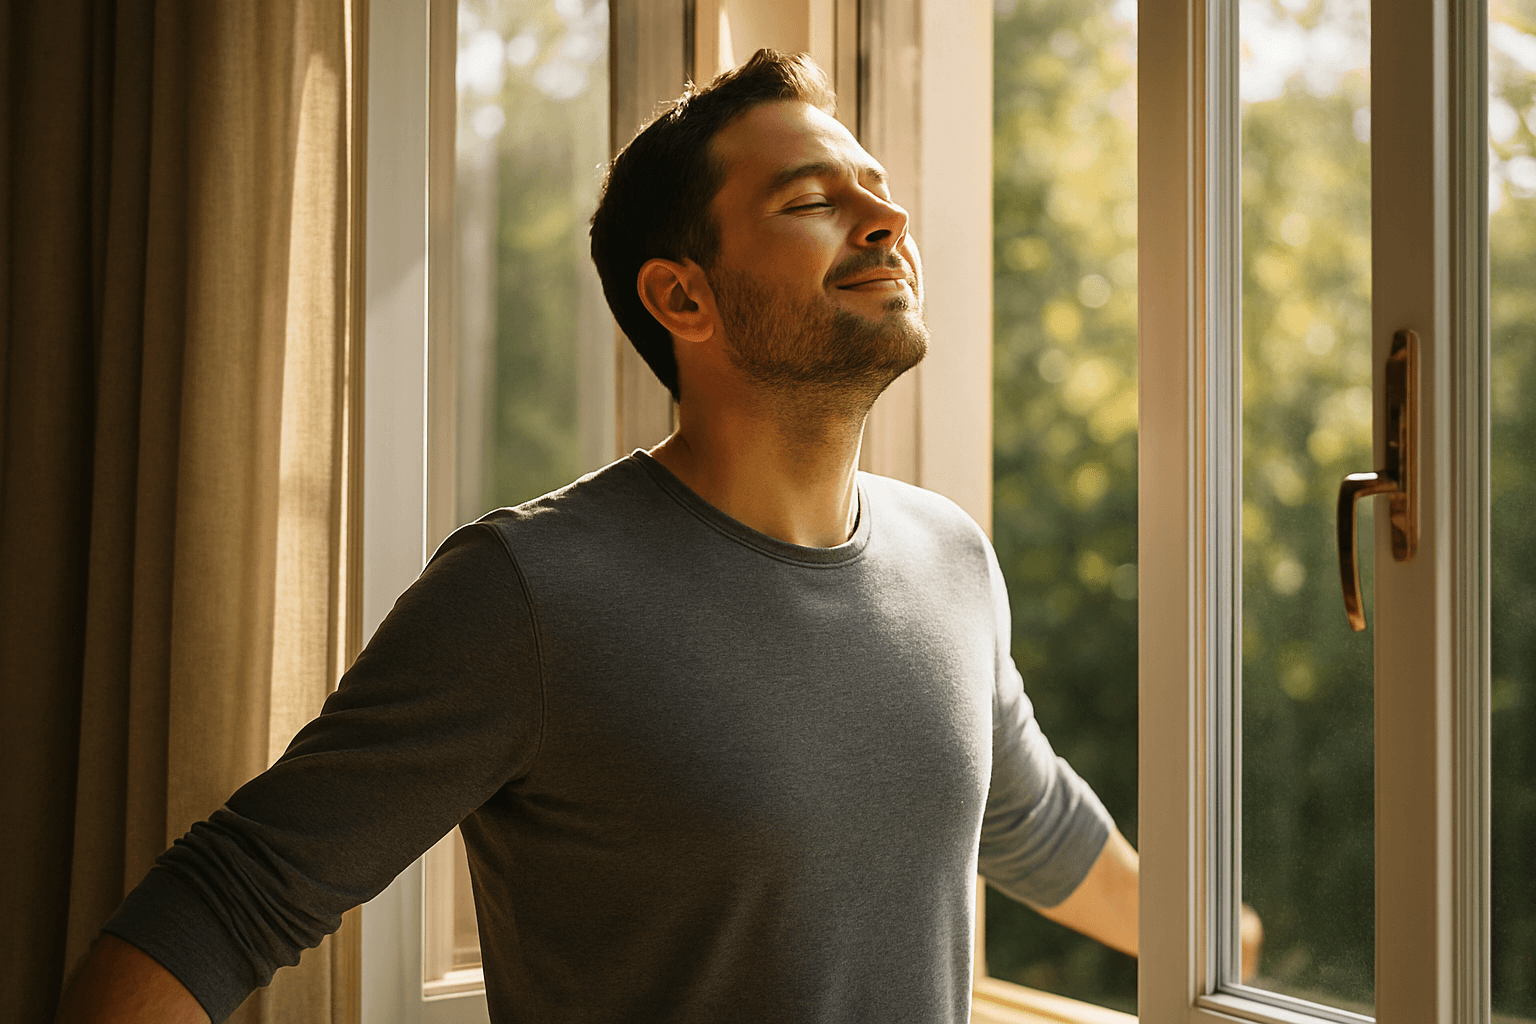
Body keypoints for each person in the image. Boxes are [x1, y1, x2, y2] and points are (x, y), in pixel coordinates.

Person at [55, 50, 1140, 1024]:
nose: (885, 221)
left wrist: (1214, 944)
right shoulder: (530, 593)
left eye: (880, 191)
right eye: (813, 200)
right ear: (682, 296)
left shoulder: (952, 556)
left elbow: (1026, 814)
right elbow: (228, 900)